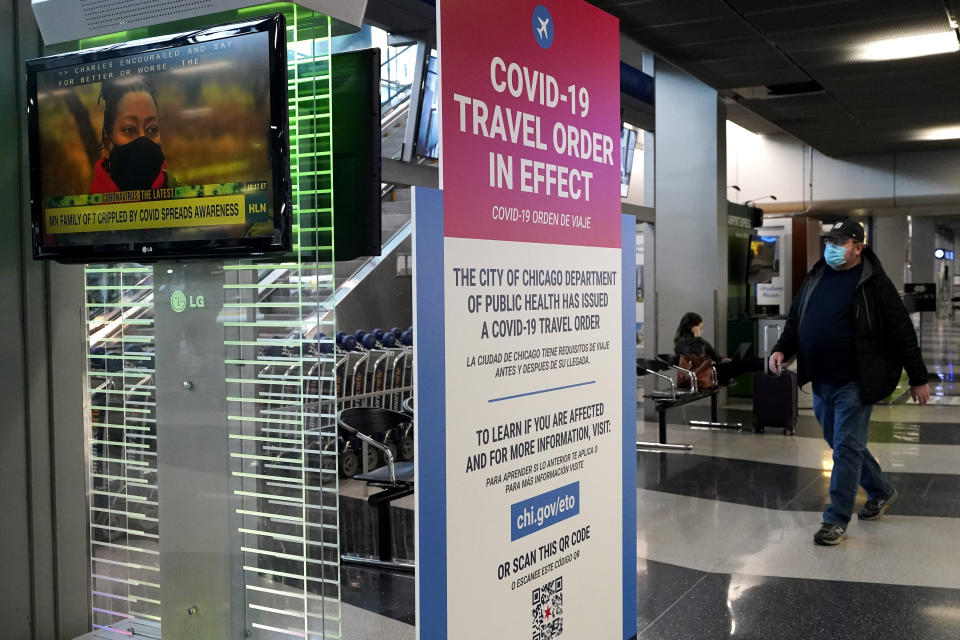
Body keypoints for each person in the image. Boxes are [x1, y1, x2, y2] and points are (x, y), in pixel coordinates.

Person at [769, 220, 930, 546]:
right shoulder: (817, 275)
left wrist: (918, 378)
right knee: (842, 443)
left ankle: (836, 520)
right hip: (822, 379)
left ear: (858, 247)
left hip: (855, 382)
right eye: (831, 240)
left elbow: (902, 331)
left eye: (840, 242)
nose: (832, 247)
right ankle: (881, 490)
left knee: (844, 448)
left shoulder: (875, 284)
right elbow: (797, 317)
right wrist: (782, 348)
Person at [90, 77, 174, 193]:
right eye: (129, 130)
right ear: (108, 143)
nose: (143, 139)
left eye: (152, 129)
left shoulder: (186, 201)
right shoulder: (85, 208)